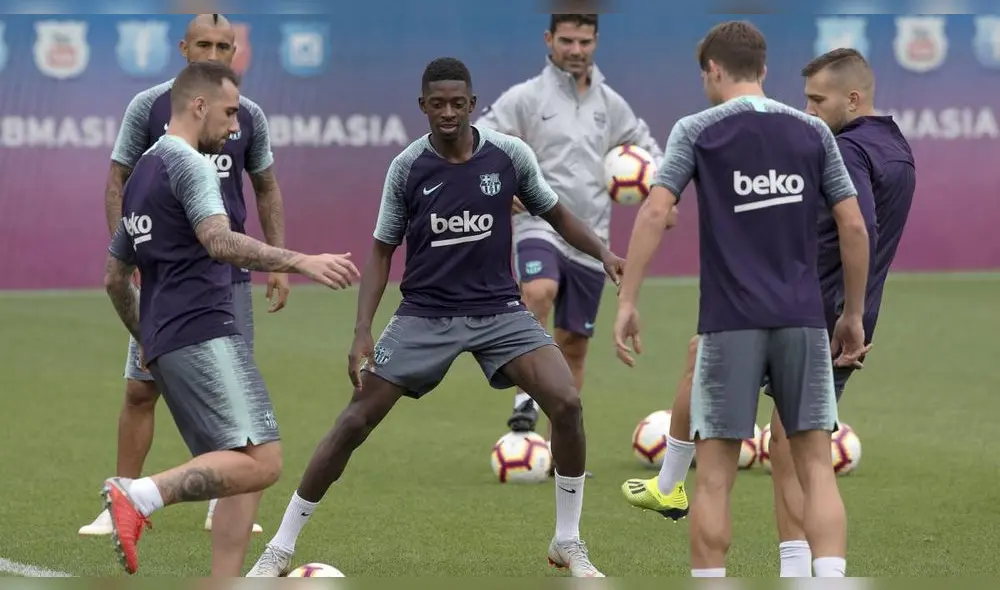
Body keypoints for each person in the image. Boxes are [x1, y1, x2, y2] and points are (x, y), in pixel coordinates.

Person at [246, 57, 622, 578]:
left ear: (472, 104)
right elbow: (381, 252)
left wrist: (603, 252)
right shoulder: (407, 168)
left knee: (567, 402)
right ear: (423, 106)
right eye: (437, 104)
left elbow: (555, 214)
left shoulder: (509, 156)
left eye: (457, 103)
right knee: (354, 421)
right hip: (425, 314)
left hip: (499, 311)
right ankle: (281, 546)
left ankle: (568, 541)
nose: (448, 112)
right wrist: (362, 329)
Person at [618, 47, 915, 578]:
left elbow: (855, 227)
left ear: (713, 69)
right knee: (809, 461)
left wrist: (627, 300)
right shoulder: (886, 146)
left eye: (817, 99)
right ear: (764, 70)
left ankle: (681, 497)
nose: (809, 108)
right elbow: (853, 228)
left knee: (719, 475)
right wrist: (855, 311)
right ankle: (808, 575)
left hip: (760, 314)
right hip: (815, 317)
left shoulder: (780, 137)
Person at [101, 60, 359, 576]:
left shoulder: (143, 171)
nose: (236, 125)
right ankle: (140, 495)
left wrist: (145, 337)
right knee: (265, 461)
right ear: (199, 106)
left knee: (240, 466)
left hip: (169, 339)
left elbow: (114, 277)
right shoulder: (190, 164)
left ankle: (224, 581)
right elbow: (218, 241)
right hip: (205, 331)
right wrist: (299, 260)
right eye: (230, 111)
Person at [82, 13, 288, 537]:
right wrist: (126, 257)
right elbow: (118, 181)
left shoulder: (248, 115)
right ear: (183, 47)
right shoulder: (151, 108)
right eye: (204, 44)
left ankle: (224, 498)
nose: (213, 54)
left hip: (230, 278)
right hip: (167, 277)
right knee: (138, 391)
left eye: (224, 46)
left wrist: (279, 261)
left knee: (231, 393)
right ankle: (121, 500)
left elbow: (264, 186)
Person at [475, 14, 662, 456]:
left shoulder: (610, 104)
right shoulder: (526, 97)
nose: (575, 50)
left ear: (596, 41)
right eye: (566, 41)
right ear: (549, 40)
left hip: (591, 236)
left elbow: (647, 149)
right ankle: (524, 397)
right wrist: (500, 191)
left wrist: (661, 194)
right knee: (538, 289)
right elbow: (478, 140)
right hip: (537, 222)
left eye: (583, 41)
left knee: (575, 345)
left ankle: (564, 450)